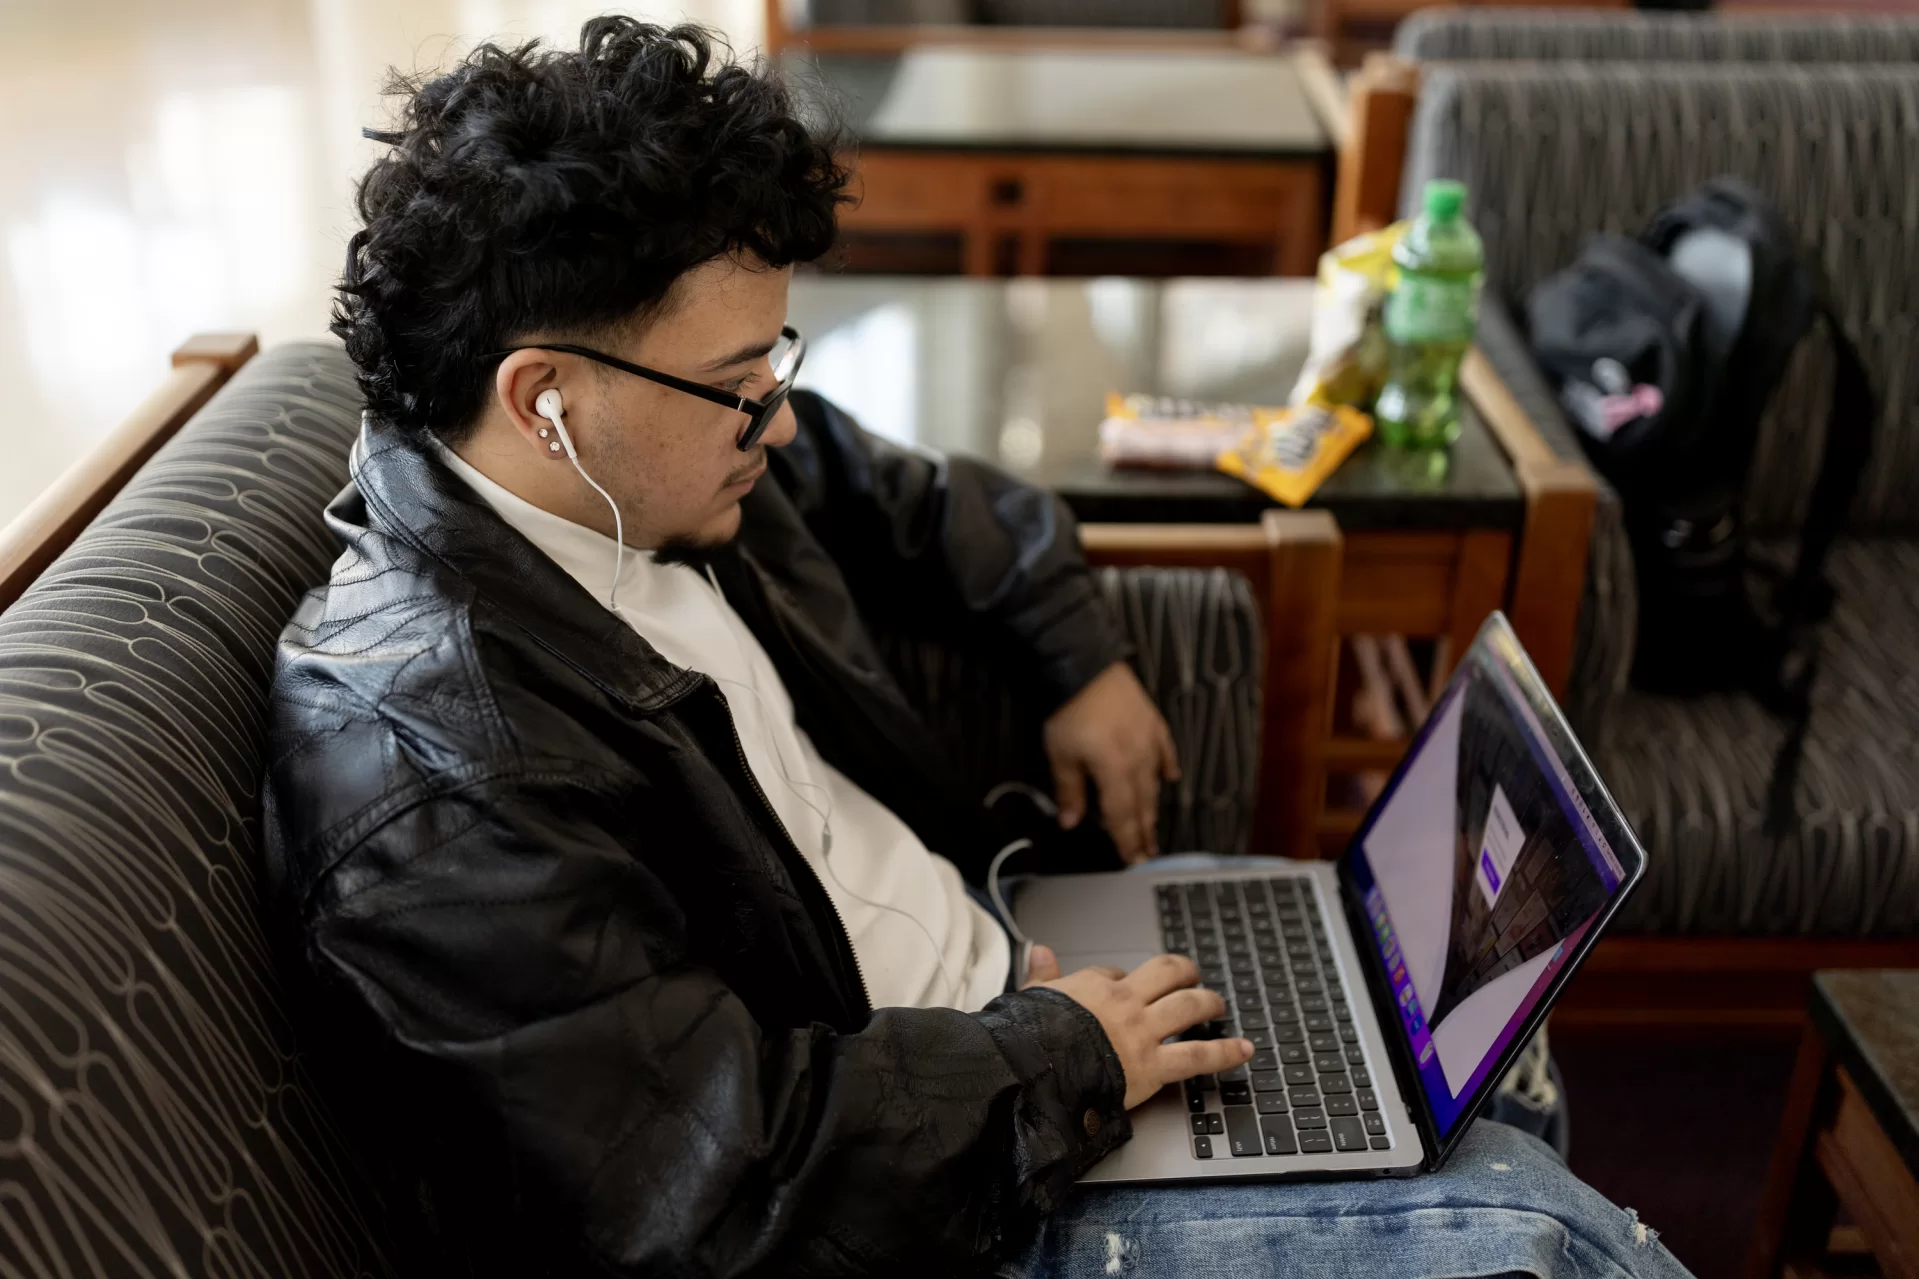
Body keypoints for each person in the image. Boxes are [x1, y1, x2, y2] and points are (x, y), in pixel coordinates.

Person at [264, 18, 1693, 1278]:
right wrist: (1061, 1054)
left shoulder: (640, 468)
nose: (774, 414)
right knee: (1537, 1232)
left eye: (777, 359)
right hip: (928, 1194)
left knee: (1440, 1018)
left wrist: (1078, 653)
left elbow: (924, 500)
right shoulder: (435, 772)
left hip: (999, 997)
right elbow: (705, 1196)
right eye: (733, 380)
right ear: (544, 397)